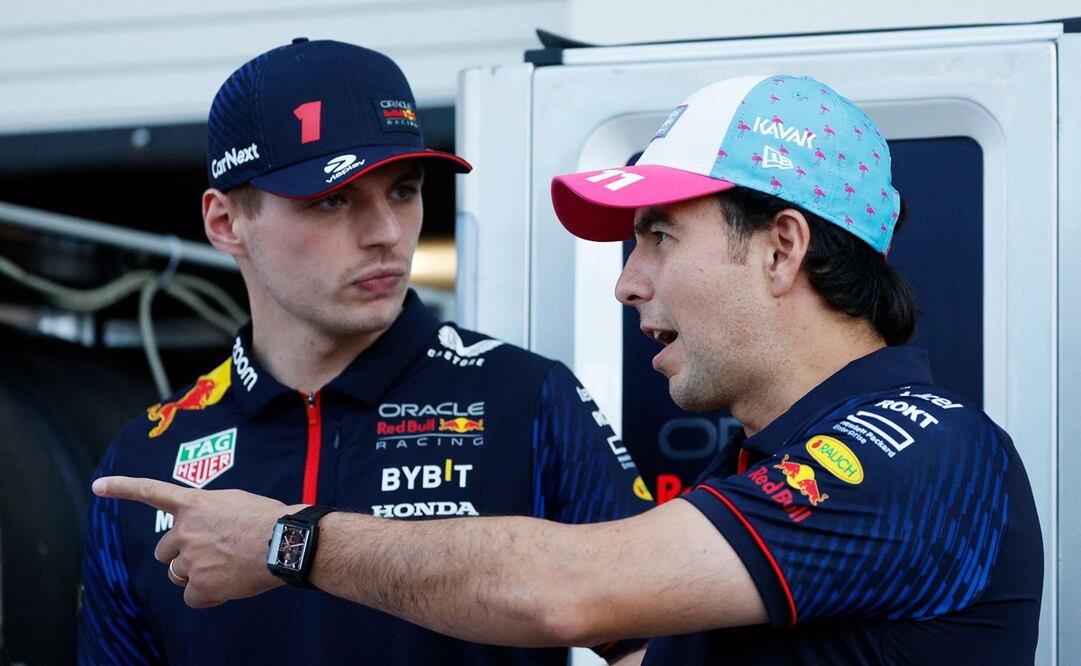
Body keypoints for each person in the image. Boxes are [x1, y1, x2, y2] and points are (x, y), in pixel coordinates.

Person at [93, 73, 1045, 664]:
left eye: (659, 237)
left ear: (781, 248)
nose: (627, 283)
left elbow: (570, 594)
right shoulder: (755, 470)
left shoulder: (923, 450)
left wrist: (288, 544)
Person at [77, 38, 654, 666]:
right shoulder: (148, 456)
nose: (385, 234)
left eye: (403, 191)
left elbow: (652, 643)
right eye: (333, 200)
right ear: (225, 223)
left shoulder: (529, 398)